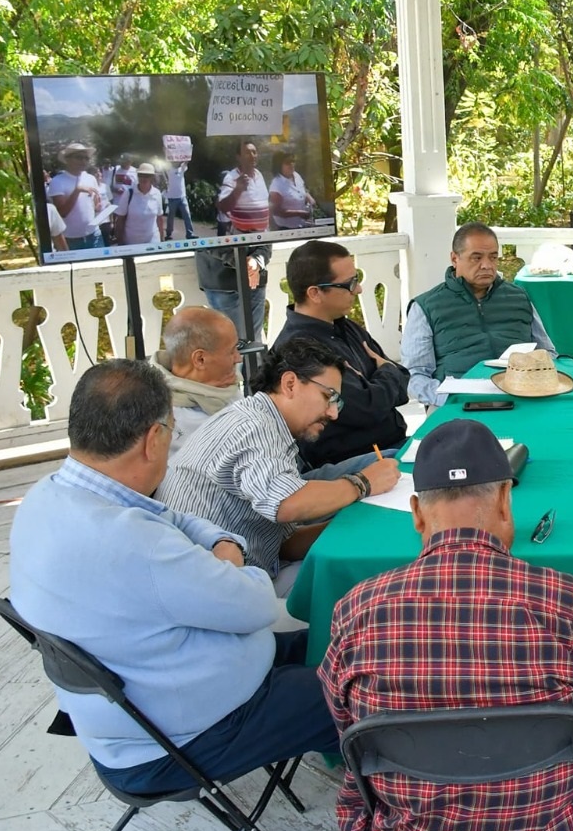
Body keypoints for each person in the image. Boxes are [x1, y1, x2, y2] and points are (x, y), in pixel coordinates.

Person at [320, 418, 573, 831]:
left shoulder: (356, 610)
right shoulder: (566, 601)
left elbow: (349, 729)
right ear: (506, 500)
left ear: (417, 513)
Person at [6, 359, 340, 796]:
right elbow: (257, 605)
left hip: (144, 708)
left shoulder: (49, 496)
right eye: (171, 431)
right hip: (177, 742)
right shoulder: (135, 544)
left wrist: (225, 543)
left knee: (339, 642)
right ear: (153, 439)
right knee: (368, 689)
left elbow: (175, 518)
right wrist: (233, 559)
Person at [156, 336, 401, 593]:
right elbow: (287, 503)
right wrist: (363, 483)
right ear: (290, 383)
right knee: (372, 587)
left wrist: (350, 526)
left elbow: (284, 544)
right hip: (213, 590)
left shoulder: (266, 424)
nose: (333, 413)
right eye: (328, 396)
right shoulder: (253, 427)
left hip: (243, 572)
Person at [272, 239, 410, 467]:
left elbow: (403, 379)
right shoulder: (300, 349)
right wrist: (385, 370)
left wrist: (379, 382)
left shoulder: (346, 327)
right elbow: (367, 409)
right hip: (354, 463)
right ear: (315, 293)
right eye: (349, 283)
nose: (358, 289)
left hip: (392, 446)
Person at [402, 222, 556, 406]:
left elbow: (548, 353)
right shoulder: (426, 306)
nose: (487, 265)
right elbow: (414, 375)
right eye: (476, 258)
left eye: (493, 257)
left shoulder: (518, 297)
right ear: (454, 259)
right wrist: (451, 398)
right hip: (456, 403)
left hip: (522, 397)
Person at [152, 306, 243, 451]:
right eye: (231, 351)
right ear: (200, 359)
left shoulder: (223, 384)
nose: (238, 358)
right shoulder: (162, 420)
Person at [198, 243, 271, 343]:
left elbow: (267, 236)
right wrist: (245, 264)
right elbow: (205, 240)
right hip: (221, 281)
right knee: (232, 342)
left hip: (254, 278)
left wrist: (257, 261)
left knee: (254, 342)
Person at [47, 142, 105, 250]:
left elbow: (94, 205)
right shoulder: (57, 181)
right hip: (71, 239)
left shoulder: (91, 178)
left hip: (94, 234)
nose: (83, 161)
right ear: (67, 159)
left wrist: (98, 207)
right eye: (79, 157)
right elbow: (62, 213)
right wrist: (77, 191)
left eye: (86, 158)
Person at [217, 140, 271, 234]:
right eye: (247, 153)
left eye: (254, 152)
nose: (252, 156)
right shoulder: (232, 177)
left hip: (263, 234)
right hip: (243, 236)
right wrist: (238, 189)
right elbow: (223, 207)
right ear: (238, 157)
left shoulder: (259, 174)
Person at [114, 163, 164, 245]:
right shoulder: (129, 193)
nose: (143, 178)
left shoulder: (157, 193)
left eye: (147, 176)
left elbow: (159, 218)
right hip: (131, 241)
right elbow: (120, 219)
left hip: (152, 240)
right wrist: (120, 240)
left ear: (152, 178)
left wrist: (162, 239)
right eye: (140, 175)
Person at [268, 151, 316, 230]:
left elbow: (303, 190)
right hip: (286, 229)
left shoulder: (296, 175)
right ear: (279, 165)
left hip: (302, 225)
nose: (292, 164)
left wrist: (310, 199)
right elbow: (276, 211)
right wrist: (299, 213)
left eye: (293, 161)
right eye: (287, 162)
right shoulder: (276, 185)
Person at [163, 160, 194, 240]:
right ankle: (169, 234)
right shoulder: (169, 169)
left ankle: (190, 233)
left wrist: (186, 156)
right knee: (171, 217)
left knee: (187, 215)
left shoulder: (182, 168)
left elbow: (186, 161)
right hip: (172, 198)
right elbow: (166, 160)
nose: (178, 162)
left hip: (182, 197)